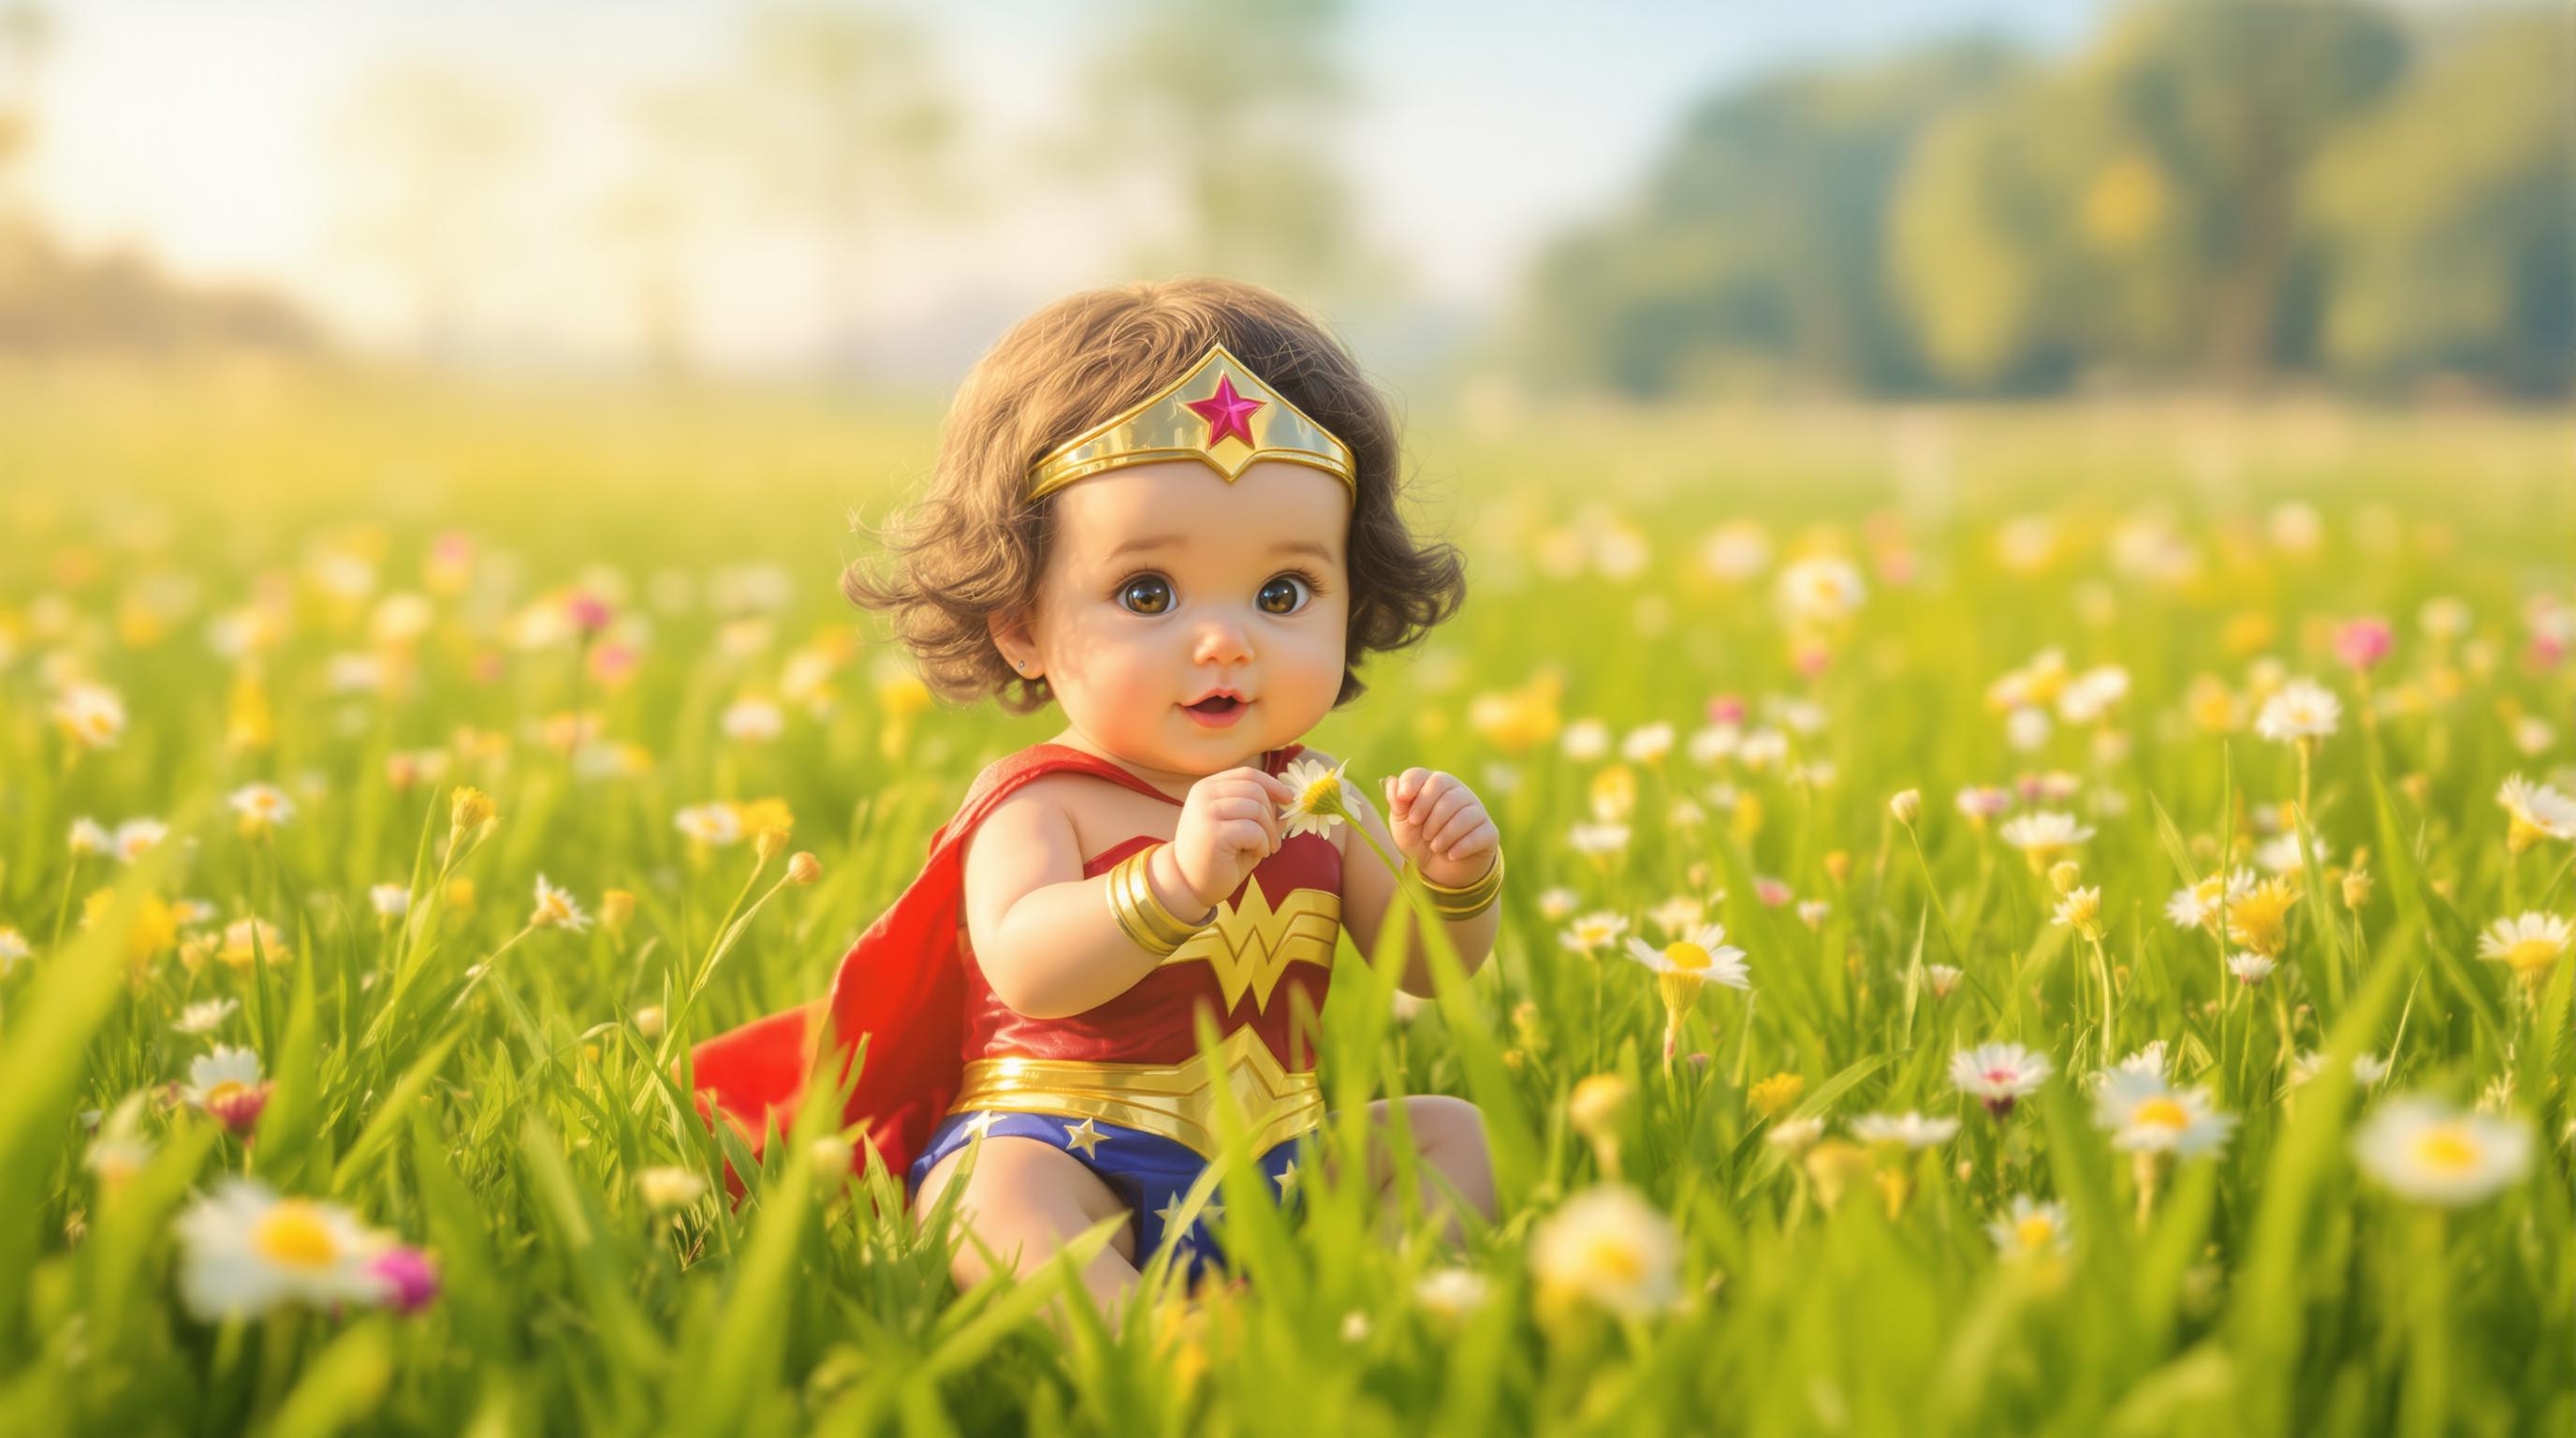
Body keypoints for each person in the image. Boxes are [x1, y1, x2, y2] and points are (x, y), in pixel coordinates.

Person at [686, 277, 1502, 1328]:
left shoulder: (1312, 798)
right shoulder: (1045, 803)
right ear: (1020, 621)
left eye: (1283, 593)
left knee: (1451, 1134)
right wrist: (1171, 880)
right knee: (986, 1198)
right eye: (1148, 594)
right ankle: (1150, 1338)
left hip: (1273, 1156)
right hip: (1075, 1148)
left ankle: (1368, 1313)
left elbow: (1427, 970)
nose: (1226, 640)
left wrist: (1455, 880)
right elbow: (1028, 964)